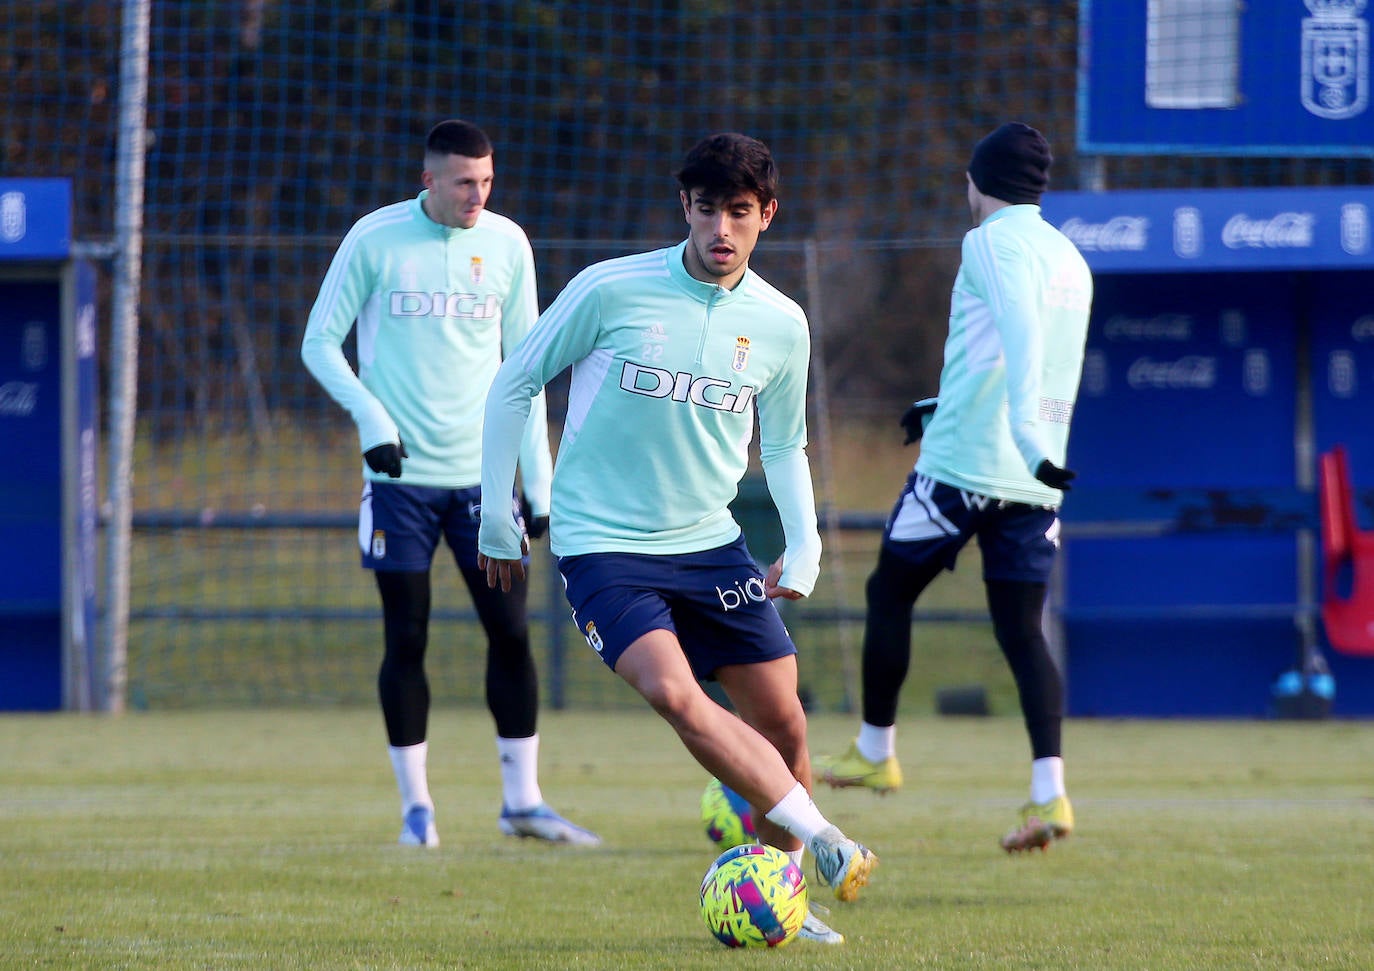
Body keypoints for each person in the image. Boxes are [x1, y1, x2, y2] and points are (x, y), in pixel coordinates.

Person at [477, 133, 877, 944]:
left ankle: (786, 900)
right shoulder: (610, 289)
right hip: (604, 547)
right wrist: (499, 508)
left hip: (710, 544)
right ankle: (827, 839)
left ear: (767, 214)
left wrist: (805, 543)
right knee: (673, 693)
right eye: (706, 209)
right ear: (684, 207)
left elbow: (788, 445)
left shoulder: (780, 324)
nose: (720, 229)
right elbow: (516, 380)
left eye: (738, 212)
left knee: (786, 723)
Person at [301, 119, 599, 848]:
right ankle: (417, 811)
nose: (478, 195)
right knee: (406, 636)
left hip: (485, 484)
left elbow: (526, 371)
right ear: (429, 178)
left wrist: (542, 483)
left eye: (488, 181)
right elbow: (317, 343)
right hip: (398, 485)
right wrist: (373, 420)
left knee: (510, 634)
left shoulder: (507, 245)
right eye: (465, 181)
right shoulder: (374, 240)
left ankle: (523, 803)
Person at [816, 122, 1094, 854]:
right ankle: (1050, 793)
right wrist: (961, 413)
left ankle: (876, 750)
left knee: (889, 592)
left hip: (967, 468)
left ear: (981, 181)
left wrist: (1026, 440)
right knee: (1021, 631)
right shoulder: (1068, 256)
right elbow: (1005, 359)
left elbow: (1023, 337)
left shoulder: (988, 242)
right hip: (1031, 484)